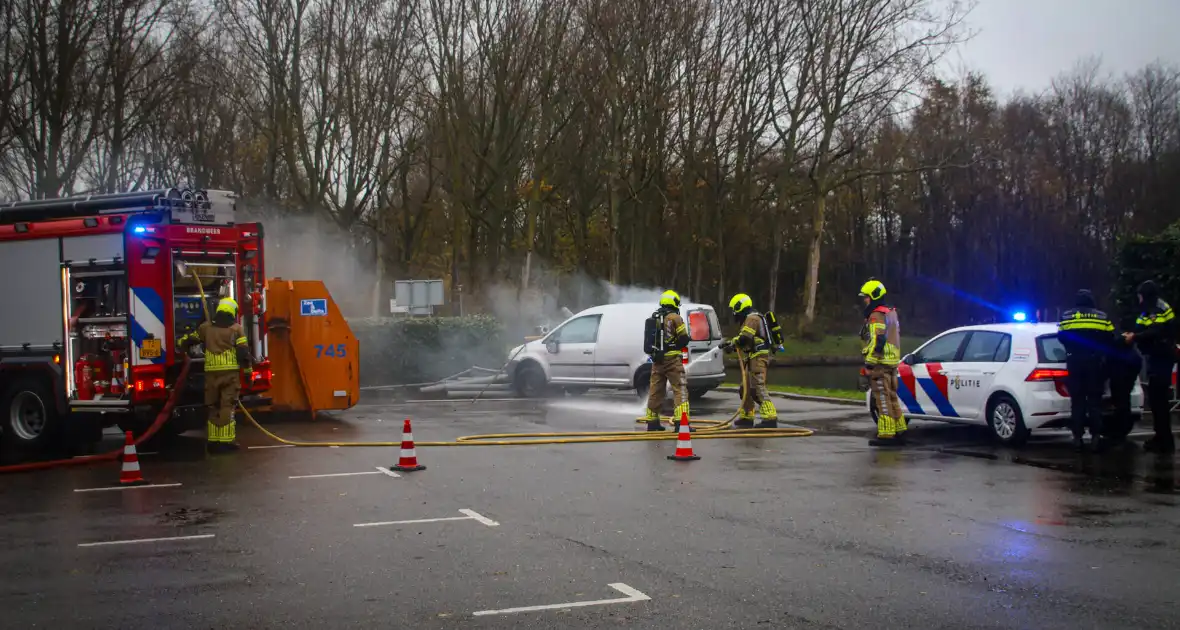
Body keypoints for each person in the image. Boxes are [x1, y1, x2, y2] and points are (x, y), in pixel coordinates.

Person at [180, 297, 253, 453]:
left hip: (211, 374)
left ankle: (213, 442)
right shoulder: (236, 329)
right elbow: (243, 353)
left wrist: (181, 344)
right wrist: (247, 373)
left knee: (213, 406)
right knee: (227, 405)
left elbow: (190, 340)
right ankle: (225, 442)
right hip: (230, 374)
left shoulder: (206, 328)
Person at [1057, 290, 1115, 451]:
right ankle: (1096, 436)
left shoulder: (1067, 316)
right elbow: (1110, 337)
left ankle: (1077, 438)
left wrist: (1073, 348)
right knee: (1095, 401)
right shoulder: (1102, 317)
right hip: (1095, 363)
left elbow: (1061, 336)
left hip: (1075, 362)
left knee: (1077, 401)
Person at [1125, 280, 1177, 453]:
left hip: (1162, 358)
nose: (1139, 299)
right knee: (1156, 400)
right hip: (1157, 357)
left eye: (1140, 296)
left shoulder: (1157, 310)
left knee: (1159, 400)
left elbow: (1156, 331)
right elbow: (1142, 327)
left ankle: (1164, 439)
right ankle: (1161, 437)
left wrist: (1136, 336)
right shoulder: (1150, 309)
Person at [859, 279, 906, 446]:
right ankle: (899, 429)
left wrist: (869, 364)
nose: (864, 300)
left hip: (880, 363)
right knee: (893, 397)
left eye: (866, 297)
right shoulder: (891, 312)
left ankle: (886, 434)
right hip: (892, 362)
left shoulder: (876, 315)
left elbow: (877, 340)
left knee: (882, 399)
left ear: (873, 296)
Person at [720, 293, 778, 429]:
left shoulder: (752, 318)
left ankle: (770, 418)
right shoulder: (750, 318)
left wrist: (732, 344)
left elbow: (745, 338)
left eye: (735, 308)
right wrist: (731, 344)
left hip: (758, 358)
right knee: (745, 389)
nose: (734, 312)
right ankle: (747, 416)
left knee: (757, 387)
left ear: (740, 306)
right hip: (751, 357)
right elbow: (745, 340)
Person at [644, 290, 691, 431]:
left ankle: (652, 423)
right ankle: (681, 424)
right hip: (672, 360)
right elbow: (684, 338)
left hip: (657, 360)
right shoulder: (675, 318)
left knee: (655, 390)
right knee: (680, 389)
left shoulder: (655, 317)